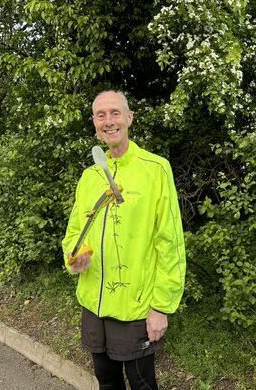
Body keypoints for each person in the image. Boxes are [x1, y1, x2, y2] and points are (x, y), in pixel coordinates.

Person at [62, 91, 186, 389]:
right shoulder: (90, 176)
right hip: (94, 304)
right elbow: (74, 233)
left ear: (129, 118)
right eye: (101, 115)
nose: (109, 121)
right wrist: (74, 257)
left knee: (142, 383)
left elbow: (170, 241)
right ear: (94, 123)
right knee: (106, 380)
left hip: (137, 305)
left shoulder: (155, 169)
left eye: (115, 113)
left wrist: (161, 306)